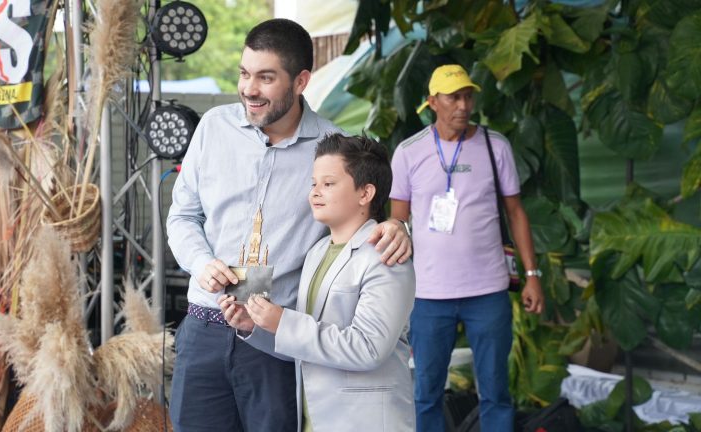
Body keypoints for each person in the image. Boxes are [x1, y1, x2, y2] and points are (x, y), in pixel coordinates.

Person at [166, 18, 412, 432]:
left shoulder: (333, 150)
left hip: (276, 339)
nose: (249, 89)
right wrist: (201, 262)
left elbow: (360, 222)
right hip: (203, 327)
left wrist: (399, 227)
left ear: (300, 81)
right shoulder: (213, 128)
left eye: (265, 78)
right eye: (244, 74)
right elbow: (182, 216)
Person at [220, 134, 416, 432]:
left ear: (365, 193)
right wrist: (256, 326)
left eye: (328, 184)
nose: (315, 193)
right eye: (313, 184)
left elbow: (368, 348)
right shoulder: (316, 253)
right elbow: (305, 345)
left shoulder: (386, 254)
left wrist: (283, 321)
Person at [389, 64, 545, 432]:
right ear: (432, 102)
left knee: (495, 391)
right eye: (453, 97)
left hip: (488, 291)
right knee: (426, 393)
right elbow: (397, 223)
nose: (463, 105)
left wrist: (532, 275)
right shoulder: (409, 152)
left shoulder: (495, 146)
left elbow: (516, 212)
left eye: (467, 96)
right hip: (428, 294)